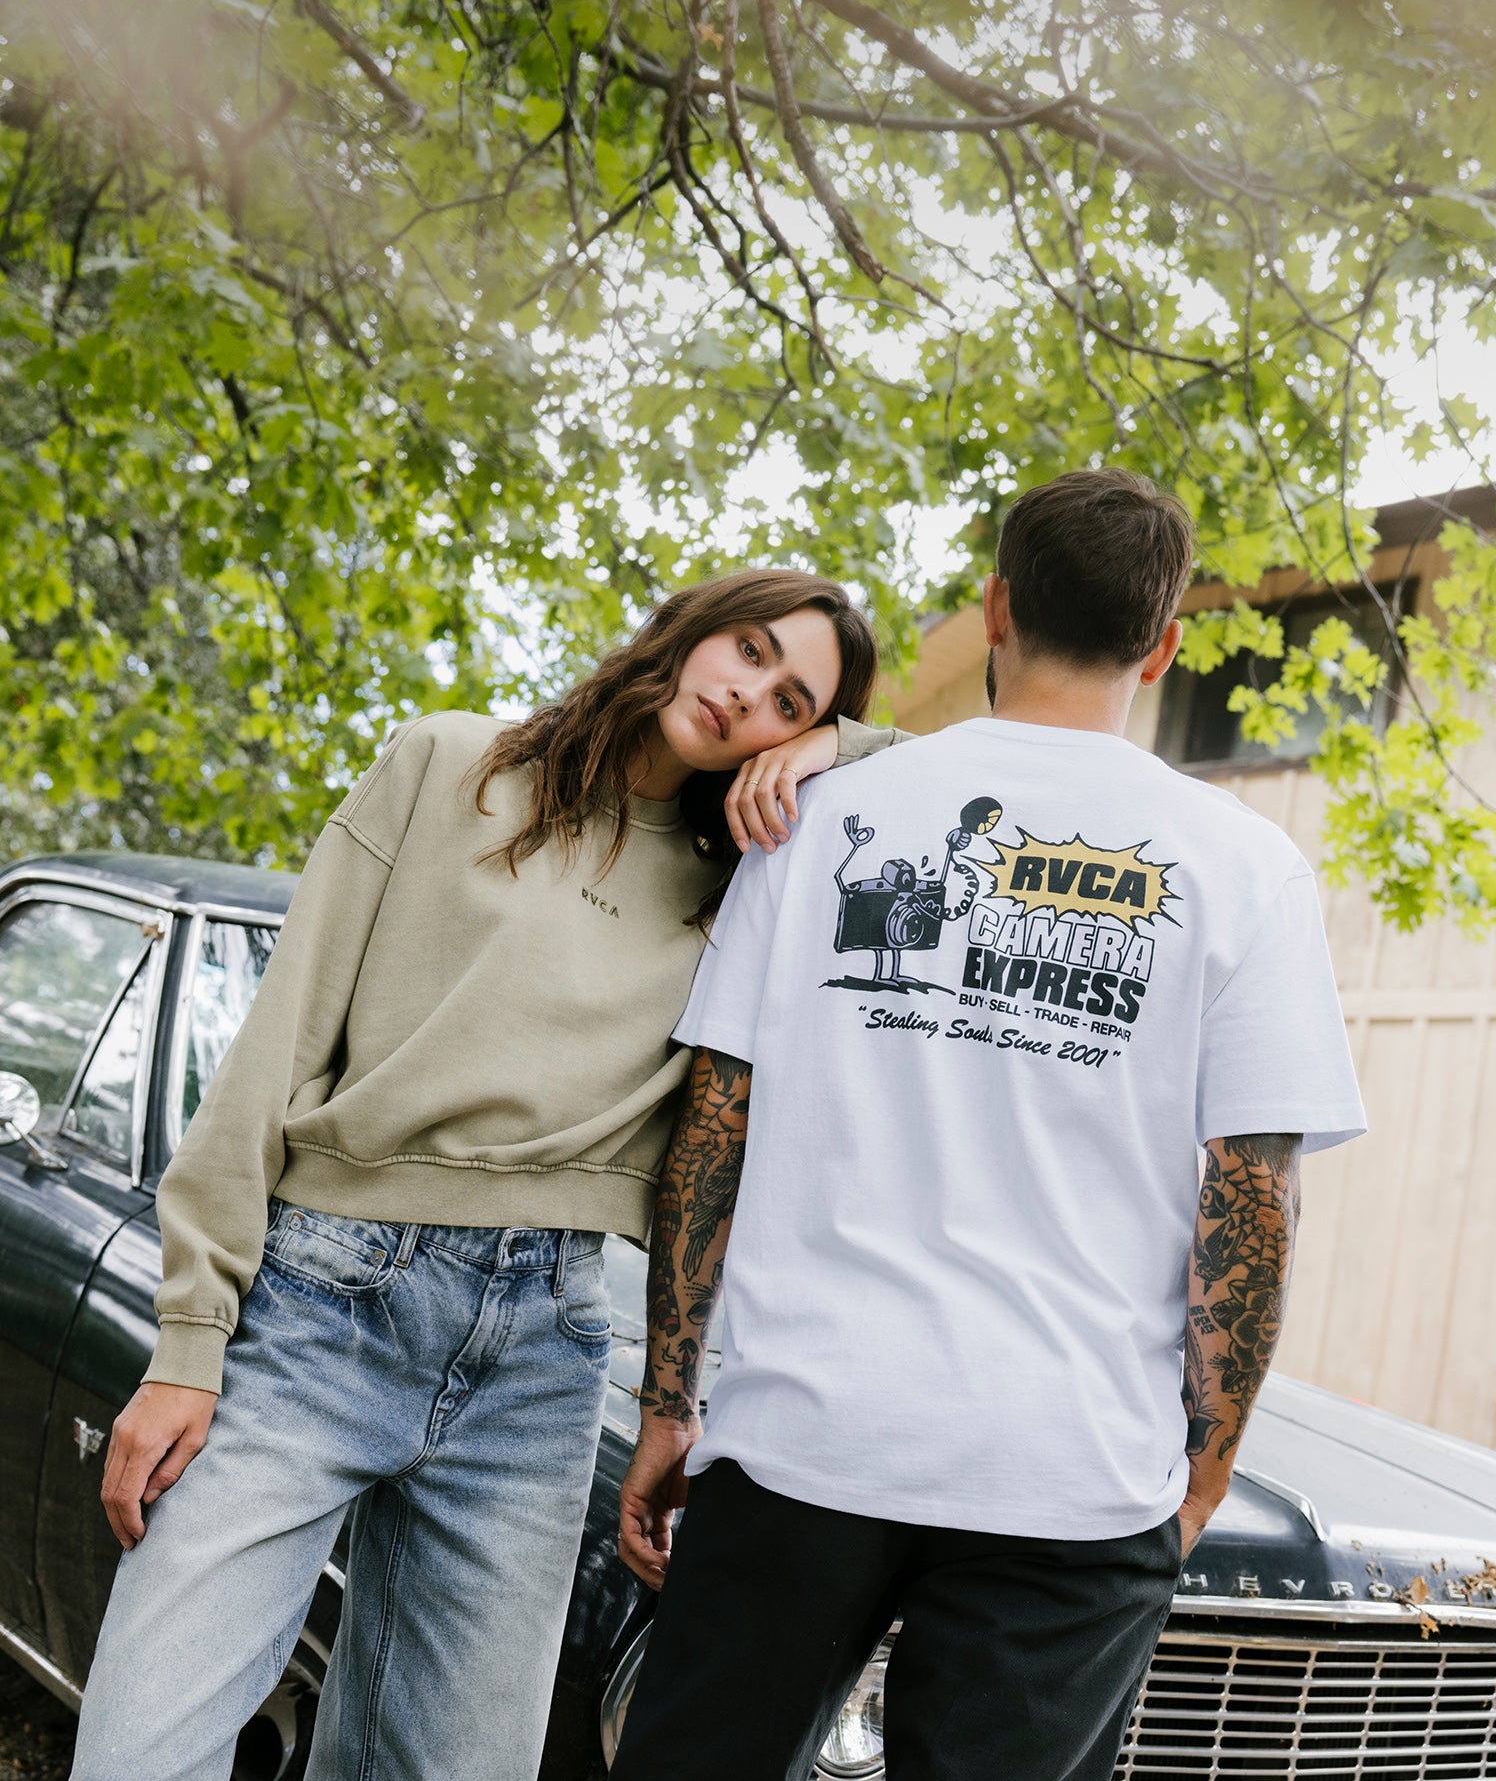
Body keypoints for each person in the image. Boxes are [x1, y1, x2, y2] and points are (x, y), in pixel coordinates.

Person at [71, 569, 891, 1781]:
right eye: (748, 650)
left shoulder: (746, 884)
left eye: (788, 700)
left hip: (543, 1353)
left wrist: (841, 747)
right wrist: (190, 1338)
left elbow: (965, 774)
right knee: (143, 1750)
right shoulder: (449, 764)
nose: (747, 697)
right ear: (691, 629)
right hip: (324, 1303)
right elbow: (275, 1046)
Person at [616, 470, 1367, 1781]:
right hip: (1069, 1472)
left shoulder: (812, 816)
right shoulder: (1243, 867)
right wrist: (1204, 1466)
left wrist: (669, 1398)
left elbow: (712, 1127)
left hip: (801, 1437)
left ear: (997, 607)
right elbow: (1250, 1194)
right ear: (1166, 638)